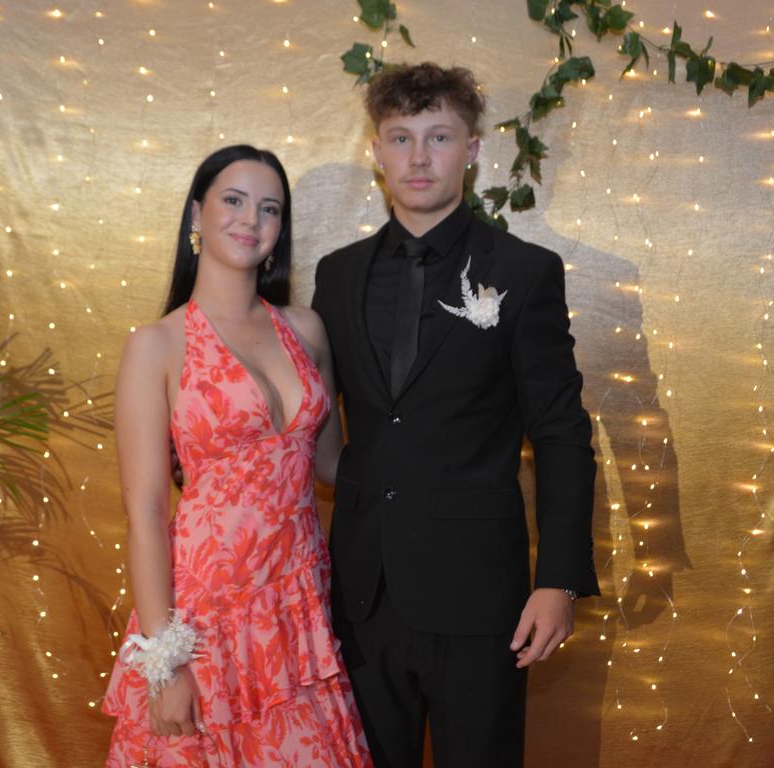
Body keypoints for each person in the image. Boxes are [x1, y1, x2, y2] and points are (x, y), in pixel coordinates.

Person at [311, 63, 600, 767]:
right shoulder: (337, 275)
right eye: (400, 137)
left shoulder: (525, 271)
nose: (418, 156)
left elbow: (561, 433)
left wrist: (558, 579)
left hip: (480, 598)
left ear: (471, 148)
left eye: (437, 136)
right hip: (361, 593)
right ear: (375, 150)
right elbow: (310, 418)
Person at [102, 144, 373, 767]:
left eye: (269, 208)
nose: (251, 219)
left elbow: (330, 465)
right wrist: (165, 665)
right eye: (233, 200)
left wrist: (443, 449)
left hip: (298, 610)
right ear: (197, 214)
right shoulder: (157, 345)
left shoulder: (306, 330)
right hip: (205, 618)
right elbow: (144, 512)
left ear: (280, 231)